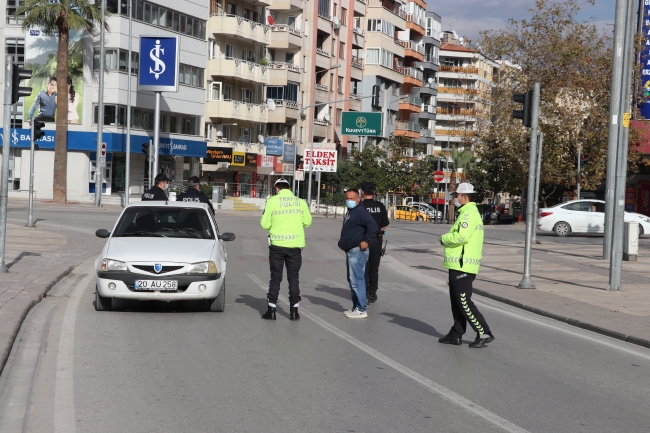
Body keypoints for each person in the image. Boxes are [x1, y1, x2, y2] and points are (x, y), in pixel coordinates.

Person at [438, 182, 495, 348]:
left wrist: (444, 239)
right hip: (458, 264)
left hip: (463, 265)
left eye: (457, 196)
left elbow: (460, 237)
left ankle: (484, 332)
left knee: (463, 301)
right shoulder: (466, 212)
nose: (455, 199)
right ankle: (456, 333)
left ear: (465, 197)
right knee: (457, 302)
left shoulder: (468, 214)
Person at [260, 178, 312, 321]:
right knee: (293, 278)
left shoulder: (271, 202)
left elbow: (264, 225)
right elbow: (308, 222)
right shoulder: (301, 202)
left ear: (277, 189)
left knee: (276, 277)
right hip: (295, 246)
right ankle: (294, 312)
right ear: (289, 188)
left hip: (277, 245)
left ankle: (271, 311)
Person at [338, 188, 378, 319]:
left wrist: (366, 240)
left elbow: (373, 225)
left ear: (358, 199)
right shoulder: (352, 211)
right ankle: (356, 307)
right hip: (351, 250)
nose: (349, 201)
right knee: (352, 280)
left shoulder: (360, 211)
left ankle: (361, 309)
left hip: (357, 251)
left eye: (352, 198)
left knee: (357, 280)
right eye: (347, 198)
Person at [360, 181, 389, 304]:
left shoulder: (359, 206)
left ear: (362, 192)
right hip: (376, 240)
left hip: (362, 241)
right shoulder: (380, 206)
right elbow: (384, 224)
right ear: (374, 192)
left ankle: (365, 292)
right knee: (373, 268)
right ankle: (372, 293)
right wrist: (376, 230)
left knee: (363, 268)